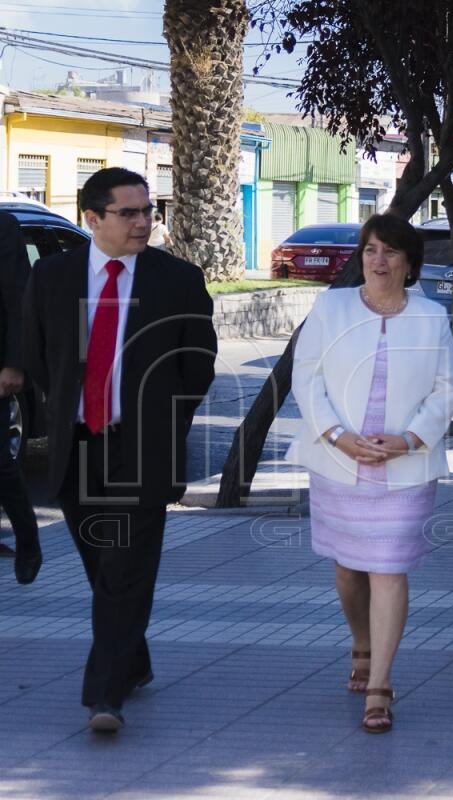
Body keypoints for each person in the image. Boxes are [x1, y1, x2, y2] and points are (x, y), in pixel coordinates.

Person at [22, 167, 217, 732]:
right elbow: (38, 356)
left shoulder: (177, 278)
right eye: (129, 213)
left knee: (126, 569)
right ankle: (132, 662)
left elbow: (196, 363)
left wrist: (162, 421)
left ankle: (103, 696)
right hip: (78, 445)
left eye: (148, 211)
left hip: (142, 448)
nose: (143, 222)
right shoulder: (54, 277)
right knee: (102, 568)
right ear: (93, 218)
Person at [289, 213, 453, 733]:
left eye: (390, 252)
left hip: (405, 466)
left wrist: (408, 439)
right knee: (347, 568)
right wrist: (337, 435)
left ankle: (380, 687)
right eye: (370, 250)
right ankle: (360, 642)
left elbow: (445, 388)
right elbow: (306, 376)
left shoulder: (431, 316)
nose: (378, 261)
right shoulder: (331, 306)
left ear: (409, 263)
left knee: (387, 569)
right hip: (339, 460)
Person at [0, 210, 39, 584]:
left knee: (0, 462)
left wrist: (14, 363)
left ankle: (27, 539)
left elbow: (18, 302)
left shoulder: (4, 227)